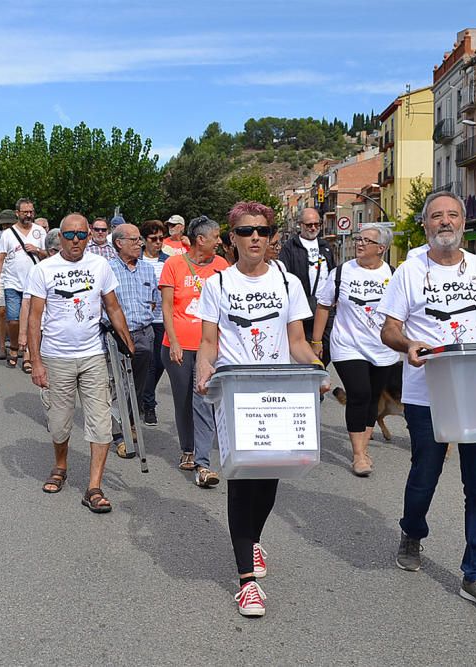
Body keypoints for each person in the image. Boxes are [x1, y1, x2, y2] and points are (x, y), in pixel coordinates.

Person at [379, 191, 476, 615]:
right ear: (426, 225)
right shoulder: (408, 273)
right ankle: (412, 532)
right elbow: (388, 330)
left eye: (452, 215)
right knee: (425, 474)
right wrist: (408, 343)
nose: (445, 222)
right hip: (424, 393)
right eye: (436, 216)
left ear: (463, 223)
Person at [194, 200, 326, 618]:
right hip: (236, 393)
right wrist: (203, 372)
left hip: (279, 393)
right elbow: (209, 343)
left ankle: (253, 539)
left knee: (268, 482)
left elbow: (298, 343)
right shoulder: (217, 285)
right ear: (231, 239)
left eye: (263, 232)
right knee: (240, 480)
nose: (255, 238)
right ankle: (246, 582)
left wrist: (318, 370)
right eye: (247, 232)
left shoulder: (287, 283)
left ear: (272, 238)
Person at [25, 214, 134, 513]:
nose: (76, 241)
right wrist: (35, 361)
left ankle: (93, 487)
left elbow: (112, 306)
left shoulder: (100, 266)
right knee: (59, 425)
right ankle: (60, 465)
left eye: (81, 235)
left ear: (89, 237)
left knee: (100, 423)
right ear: (60, 238)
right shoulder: (44, 269)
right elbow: (34, 318)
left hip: (93, 356)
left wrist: (128, 342)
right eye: (70, 235)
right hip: (56, 356)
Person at [312, 225, 398, 476]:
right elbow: (324, 305)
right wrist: (317, 342)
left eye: (366, 241)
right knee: (359, 392)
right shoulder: (341, 273)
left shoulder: (393, 274)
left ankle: (363, 445)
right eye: (358, 239)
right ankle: (358, 454)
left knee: (373, 396)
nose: (359, 244)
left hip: (382, 347)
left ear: (381, 248)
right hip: (347, 345)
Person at [159, 215, 228, 486]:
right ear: (201, 240)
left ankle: (202, 461)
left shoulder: (222, 265)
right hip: (177, 346)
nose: (219, 241)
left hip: (208, 348)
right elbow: (166, 306)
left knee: (203, 400)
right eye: (216, 236)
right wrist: (173, 340)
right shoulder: (174, 264)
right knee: (184, 401)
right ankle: (187, 448)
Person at [107, 223, 157, 458]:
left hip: (145, 334)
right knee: (118, 384)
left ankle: (130, 420)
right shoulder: (107, 269)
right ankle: (119, 434)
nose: (140, 244)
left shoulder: (147, 270)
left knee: (138, 383)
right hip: (118, 334)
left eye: (140, 240)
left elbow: (155, 300)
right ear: (119, 243)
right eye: (135, 240)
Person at [0, 199, 46, 368]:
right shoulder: (8, 234)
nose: (28, 215)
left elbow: (49, 255)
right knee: (13, 320)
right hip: (12, 283)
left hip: (34, 284)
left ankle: (28, 354)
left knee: (32, 321)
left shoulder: (39, 232)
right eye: (25, 212)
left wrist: (36, 250)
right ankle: (14, 347)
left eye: (31, 212)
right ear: (17, 213)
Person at [279, 208, 336, 367]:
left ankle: (318, 373)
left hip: (326, 306)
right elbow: (285, 276)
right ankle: (315, 381)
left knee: (329, 344)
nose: (313, 228)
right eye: (309, 224)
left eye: (317, 224)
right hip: (304, 307)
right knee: (307, 346)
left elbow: (333, 272)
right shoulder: (290, 248)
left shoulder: (325, 246)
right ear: (300, 225)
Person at [139, 220, 169, 426]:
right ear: (144, 240)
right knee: (147, 363)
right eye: (153, 239)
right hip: (143, 320)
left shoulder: (168, 262)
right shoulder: (138, 261)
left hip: (163, 319)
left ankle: (144, 398)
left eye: (161, 238)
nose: (158, 243)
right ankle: (148, 404)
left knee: (160, 363)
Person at [0, 210, 16, 361]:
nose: (7, 226)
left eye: (9, 224)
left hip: (16, 276)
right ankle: (2, 345)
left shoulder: (20, 235)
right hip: (2, 276)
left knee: (17, 314)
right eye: (4, 224)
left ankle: (16, 343)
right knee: (1, 311)